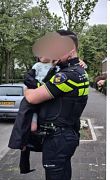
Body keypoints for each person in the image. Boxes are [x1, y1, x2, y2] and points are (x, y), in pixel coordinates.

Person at [22, 30, 89, 180]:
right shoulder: (77, 71)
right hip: (65, 136)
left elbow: (32, 98)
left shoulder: (67, 76)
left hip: (58, 139)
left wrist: (27, 89)